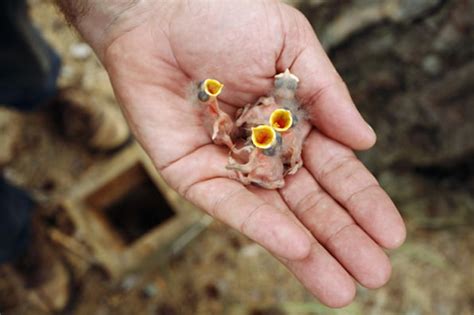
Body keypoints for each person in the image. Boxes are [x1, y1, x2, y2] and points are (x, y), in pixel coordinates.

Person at [3, 0, 407, 309]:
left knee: (21, 56)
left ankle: (41, 92)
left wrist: (136, 9)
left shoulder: (267, 140)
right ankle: (16, 239)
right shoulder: (250, 136)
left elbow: (261, 146)